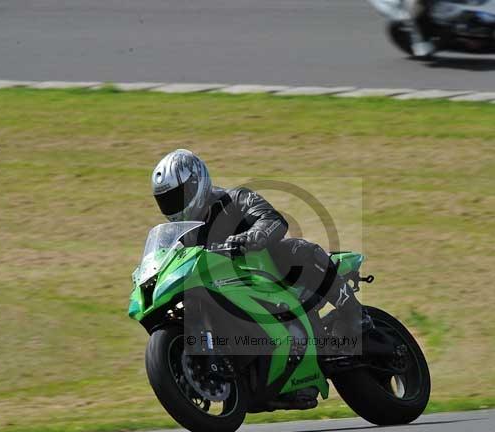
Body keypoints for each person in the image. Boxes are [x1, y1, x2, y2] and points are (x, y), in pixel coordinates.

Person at [150, 148, 371, 408]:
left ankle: (355, 313)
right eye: (166, 200)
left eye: (178, 196)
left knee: (299, 249)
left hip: (268, 275)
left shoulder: (235, 199)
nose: (173, 205)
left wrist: (253, 236)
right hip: (227, 290)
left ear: (197, 184)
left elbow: (272, 219)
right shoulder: (183, 234)